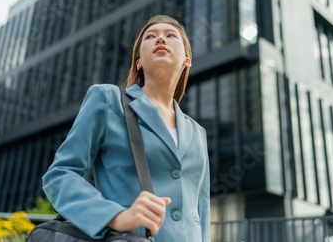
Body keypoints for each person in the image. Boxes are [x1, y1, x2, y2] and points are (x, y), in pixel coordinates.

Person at [42, 15, 211, 241]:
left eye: (171, 36)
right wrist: (116, 216)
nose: (161, 38)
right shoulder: (107, 99)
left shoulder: (198, 132)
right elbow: (60, 174)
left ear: (186, 60)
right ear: (139, 61)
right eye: (150, 37)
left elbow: (202, 208)